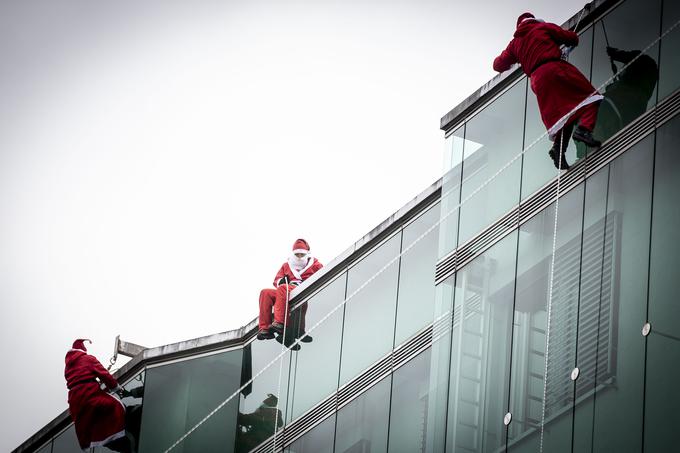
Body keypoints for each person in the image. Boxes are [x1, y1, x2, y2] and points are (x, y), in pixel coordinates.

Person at [493, 12, 603, 170]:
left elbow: (497, 65)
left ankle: (559, 149)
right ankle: (584, 130)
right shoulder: (542, 27)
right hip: (554, 69)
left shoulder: (514, 44)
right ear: (533, 19)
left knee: (564, 116)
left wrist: (518, 59)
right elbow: (571, 38)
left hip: (537, 81)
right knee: (591, 97)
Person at [64, 339, 130, 452]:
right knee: (117, 407)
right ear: (83, 350)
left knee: (91, 423)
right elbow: (104, 375)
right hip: (89, 394)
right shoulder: (88, 359)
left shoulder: (68, 367)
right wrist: (117, 388)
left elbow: (79, 379)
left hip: (75, 401)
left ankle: (111, 441)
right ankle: (124, 437)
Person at [257, 238, 323, 343]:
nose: (300, 257)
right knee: (265, 292)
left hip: (300, 288)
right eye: (297, 255)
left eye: (302, 255)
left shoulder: (315, 264)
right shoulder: (286, 265)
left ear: (307, 254)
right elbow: (276, 280)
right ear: (293, 254)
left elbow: (322, 275)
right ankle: (264, 328)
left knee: (282, 288)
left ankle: (280, 322)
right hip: (286, 289)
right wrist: (281, 281)